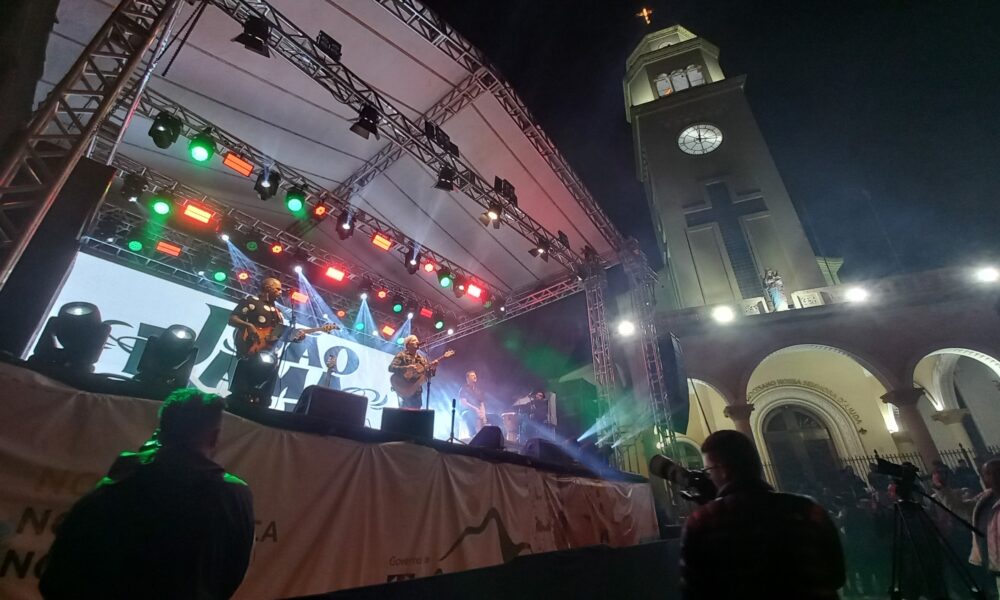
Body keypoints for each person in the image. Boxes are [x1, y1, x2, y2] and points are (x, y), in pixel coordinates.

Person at [40, 388, 255, 600]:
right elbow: (231, 574)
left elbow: (59, 571)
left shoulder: (117, 483)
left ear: (161, 430)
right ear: (214, 437)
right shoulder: (233, 496)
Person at [680, 430, 845, 599]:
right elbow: (837, 576)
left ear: (723, 470)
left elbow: (693, 590)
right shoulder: (809, 511)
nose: (709, 477)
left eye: (708, 471)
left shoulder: (702, 522)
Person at [228, 277, 302, 405]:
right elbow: (232, 319)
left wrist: (297, 337)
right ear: (268, 288)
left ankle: (262, 399)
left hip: (268, 353)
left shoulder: (277, 312)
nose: (280, 292)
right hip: (250, 347)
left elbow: (278, 334)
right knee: (244, 379)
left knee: (266, 380)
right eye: (277, 289)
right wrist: (249, 326)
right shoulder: (251, 301)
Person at [388, 335, 434, 409]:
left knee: (416, 413)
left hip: (417, 391)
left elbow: (428, 375)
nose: (417, 342)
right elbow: (391, 368)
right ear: (408, 345)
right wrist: (406, 368)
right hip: (404, 388)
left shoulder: (421, 358)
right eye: (414, 340)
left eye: (417, 340)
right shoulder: (402, 355)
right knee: (404, 413)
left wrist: (433, 368)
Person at [459, 370, 486, 437]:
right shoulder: (463, 389)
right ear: (467, 378)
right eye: (472, 375)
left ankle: (481, 435)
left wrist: (483, 415)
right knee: (470, 413)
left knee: (489, 417)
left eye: (475, 375)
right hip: (466, 411)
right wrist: (475, 409)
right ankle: (472, 434)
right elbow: (464, 403)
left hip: (477, 412)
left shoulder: (478, 390)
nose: (475, 376)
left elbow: (482, 404)